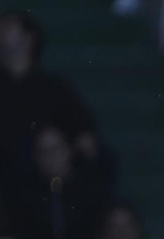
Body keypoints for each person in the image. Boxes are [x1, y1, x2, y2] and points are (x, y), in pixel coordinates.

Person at [0, 11, 109, 186]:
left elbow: (85, 138)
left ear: (30, 38)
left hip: (42, 180)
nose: (1, 32)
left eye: (7, 27)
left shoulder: (53, 87)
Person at [8, 127, 112, 239]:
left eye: (55, 149)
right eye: (44, 152)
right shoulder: (26, 196)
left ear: (68, 151)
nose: (51, 157)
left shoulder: (90, 190)